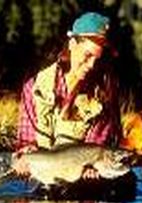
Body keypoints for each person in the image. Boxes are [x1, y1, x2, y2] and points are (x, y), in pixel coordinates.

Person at [12, 12, 122, 179]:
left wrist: (91, 174)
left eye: (98, 60)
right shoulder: (34, 87)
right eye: (87, 55)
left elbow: (98, 148)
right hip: (42, 180)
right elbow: (25, 142)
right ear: (72, 44)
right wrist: (24, 153)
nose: (92, 65)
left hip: (84, 189)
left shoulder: (103, 99)